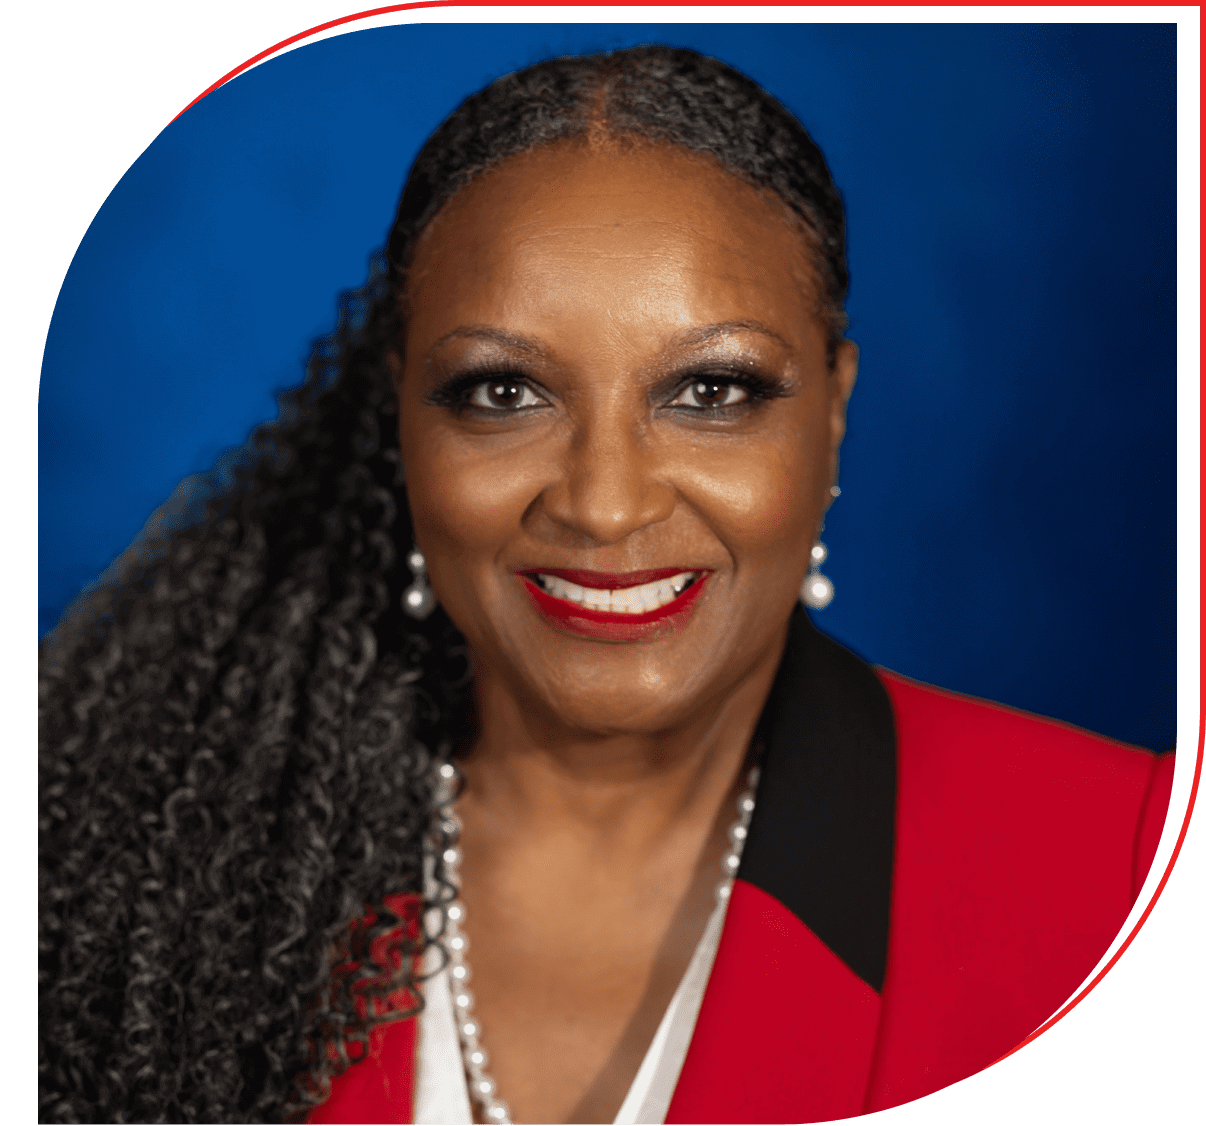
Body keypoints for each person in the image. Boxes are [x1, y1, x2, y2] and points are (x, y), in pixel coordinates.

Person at [38, 46, 1175, 1126]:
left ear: (833, 407)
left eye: (712, 391)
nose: (605, 504)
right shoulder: (128, 869)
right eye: (503, 394)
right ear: (402, 416)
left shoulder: (1121, 865)